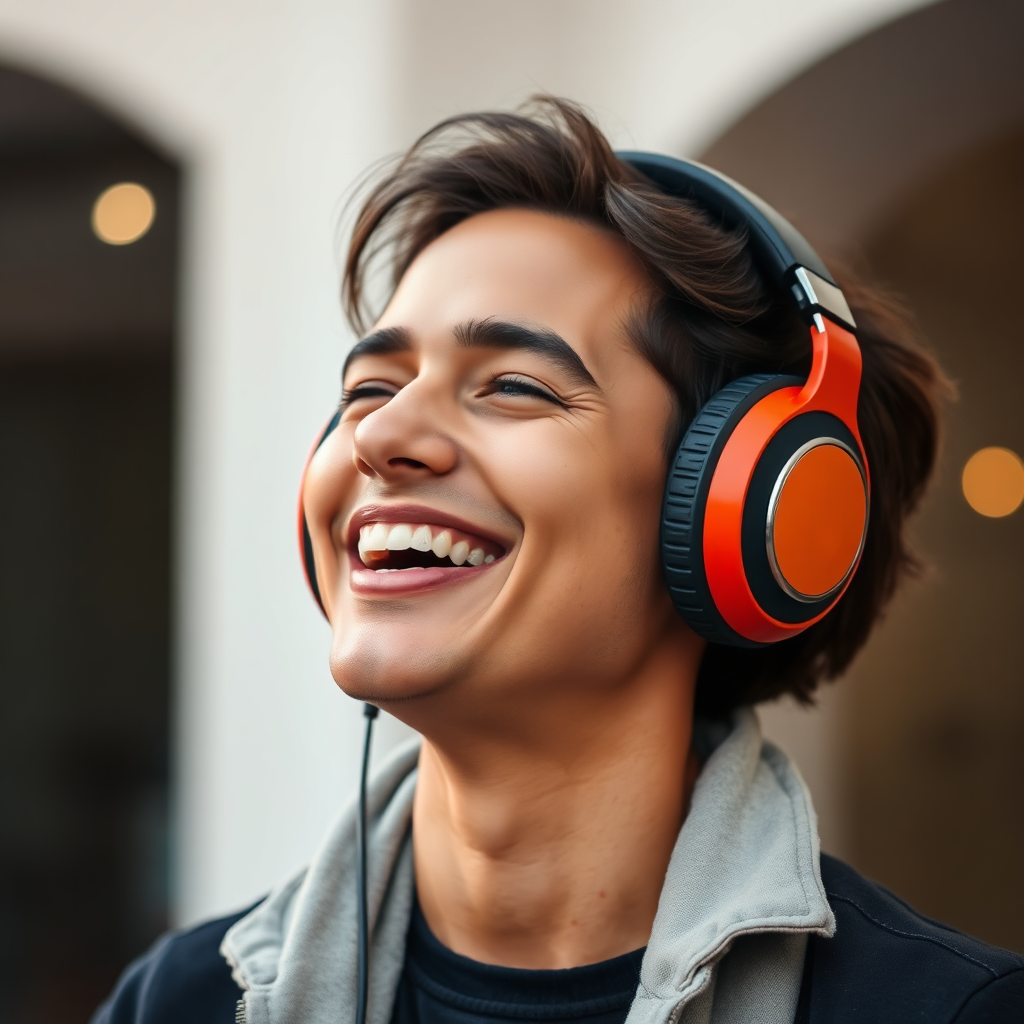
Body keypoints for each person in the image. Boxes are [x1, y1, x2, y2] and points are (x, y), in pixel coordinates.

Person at [93, 98, 1023, 1024]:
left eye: (512, 386)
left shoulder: (950, 1012)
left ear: (743, 510)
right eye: (371, 386)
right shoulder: (176, 1002)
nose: (380, 436)